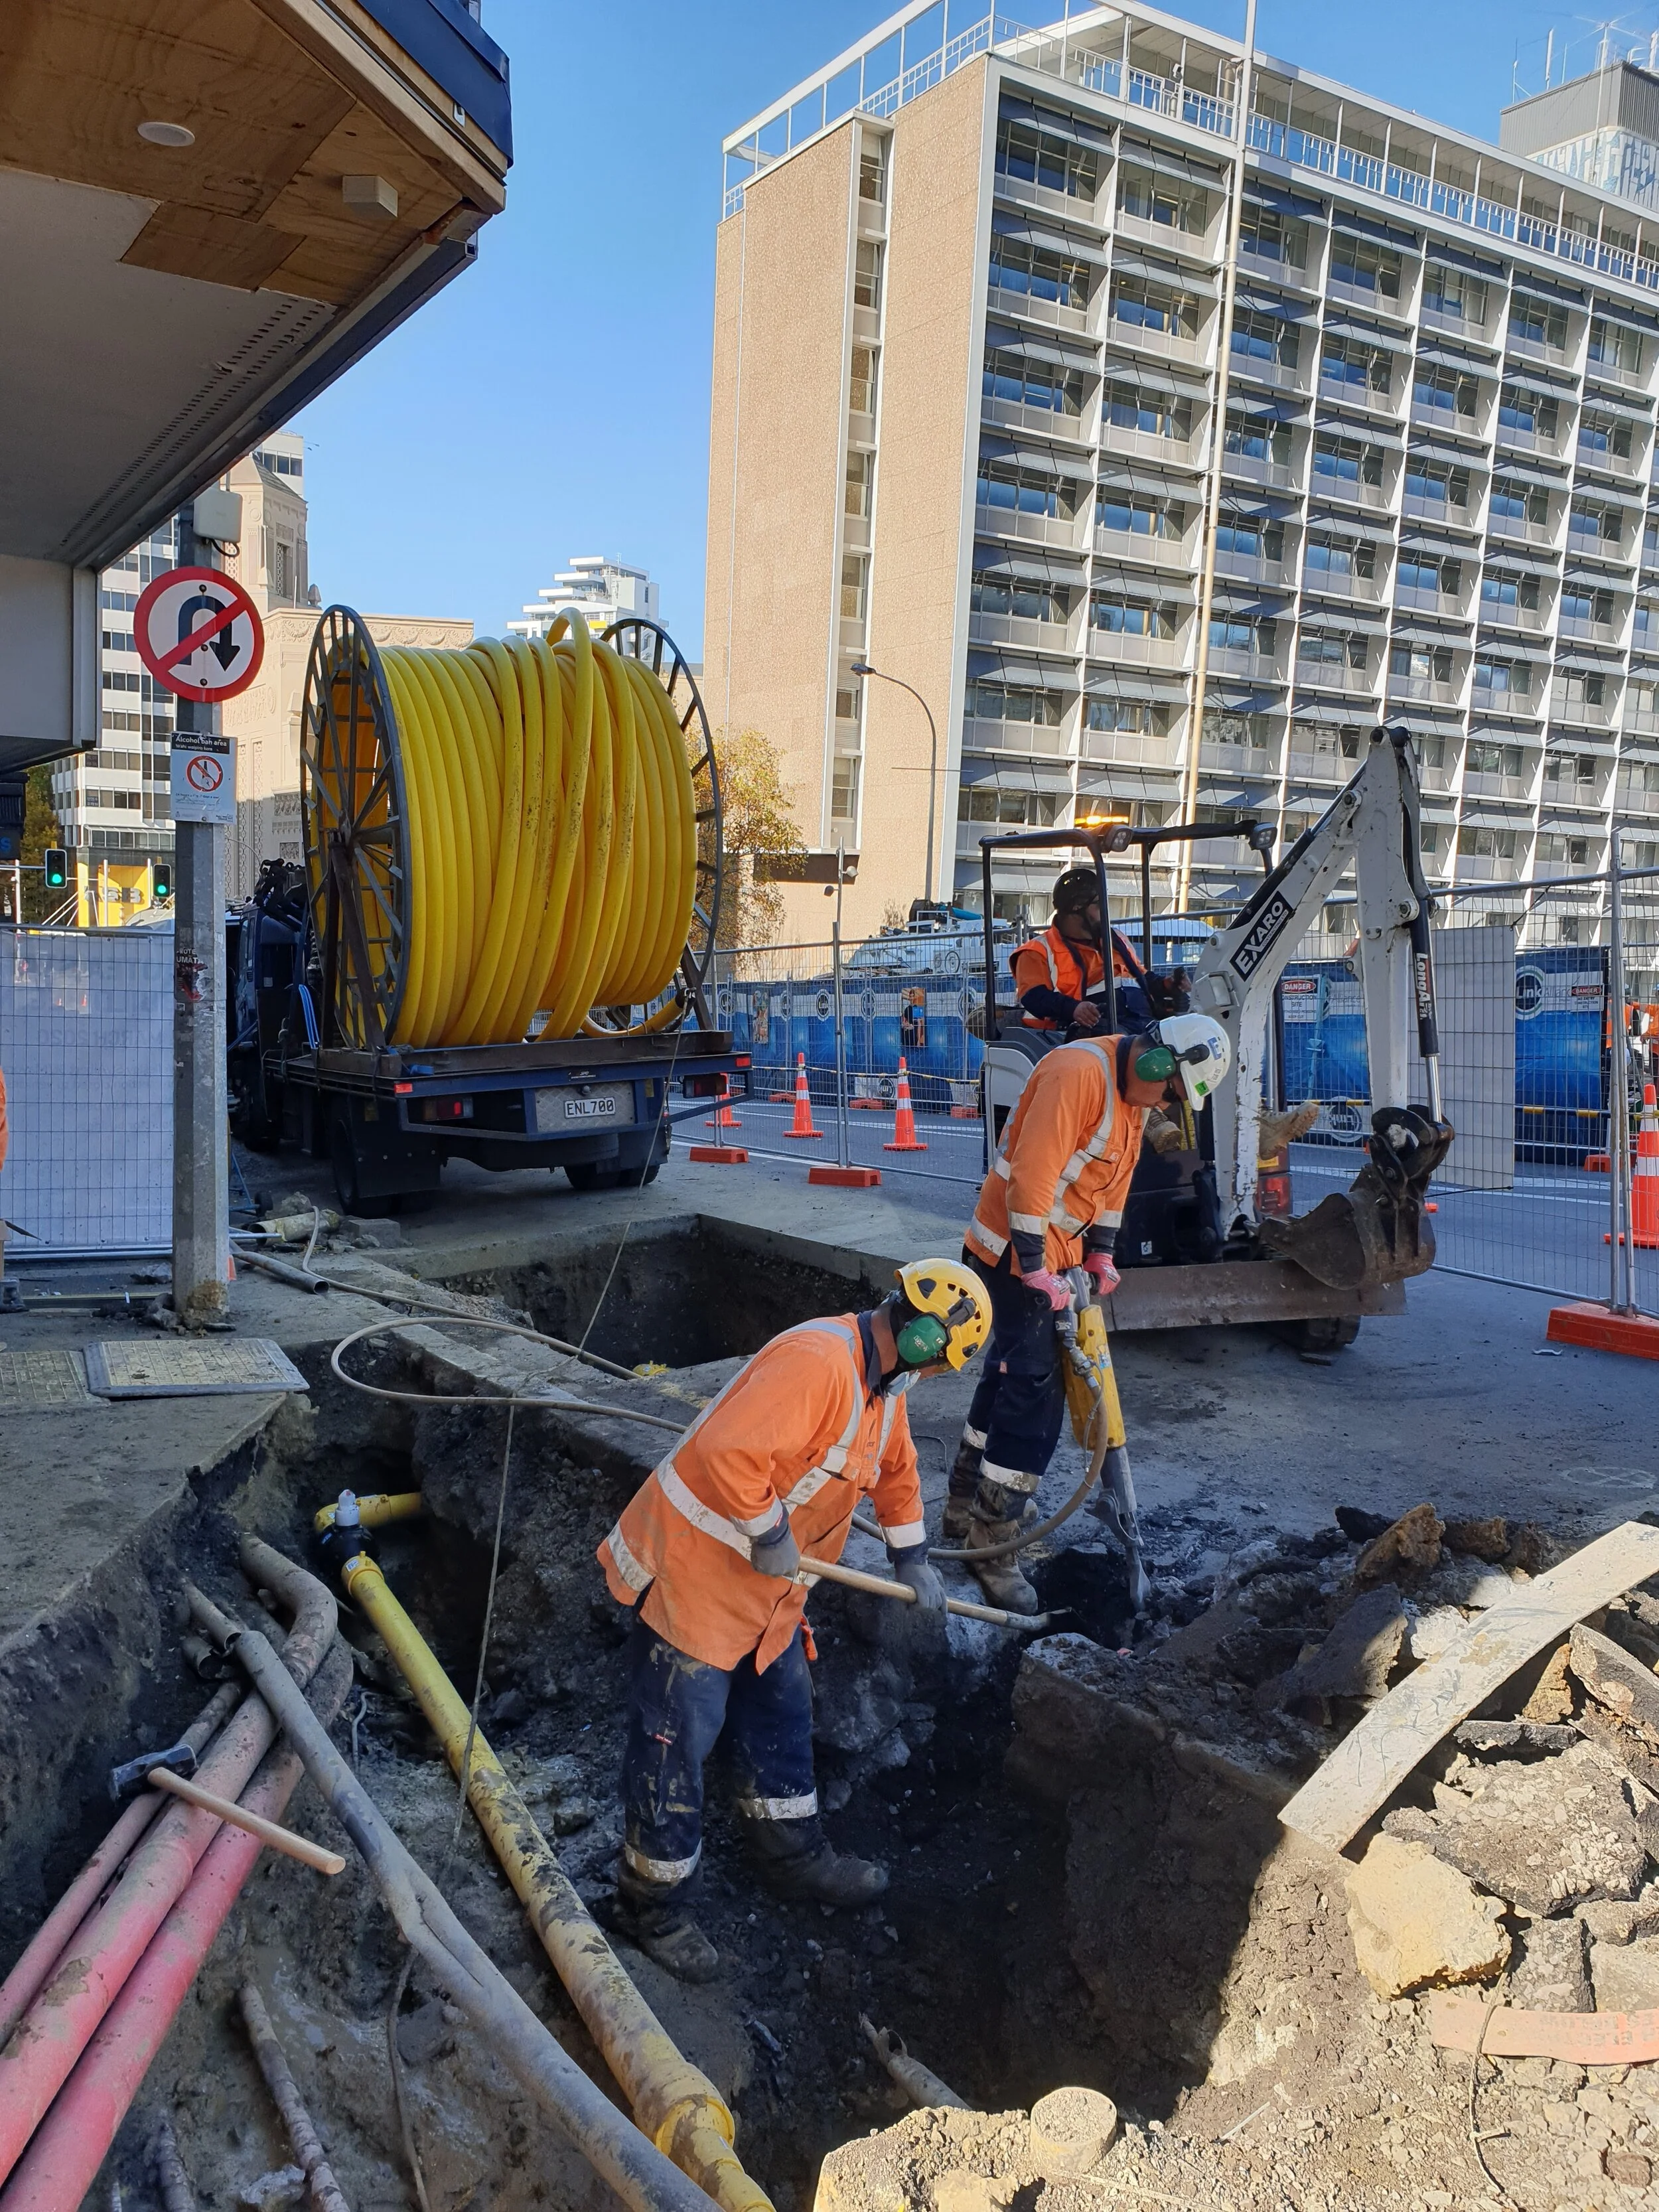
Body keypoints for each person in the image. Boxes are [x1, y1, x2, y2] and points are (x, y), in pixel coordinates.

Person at [597, 1258, 993, 1980]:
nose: (929, 1379)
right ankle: (647, 1908)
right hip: (698, 1582)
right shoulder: (819, 1362)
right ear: (917, 1338)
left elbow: (897, 1473)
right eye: (935, 1365)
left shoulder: (881, 1389)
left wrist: (913, 1561)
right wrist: (770, 1531)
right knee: (674, 1746)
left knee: (782, 1716)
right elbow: (727, 1453)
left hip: (769, 1599)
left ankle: (792, 1858)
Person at [948, 1015, 1232, 1611]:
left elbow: (1112, 1184)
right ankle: (992, 1537)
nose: (1169, 1105)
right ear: (1159, 1062)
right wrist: (1034, 1267)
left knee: (1005, 1368)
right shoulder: (1079, 1072)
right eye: (1174, 1090)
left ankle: (964, 1500)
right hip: (1012, 1247)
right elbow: (1032, 1175)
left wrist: (1101, 1253)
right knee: (1036, 1392)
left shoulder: (1132, 1098)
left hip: (1051, 1255)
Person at [1012, 867, 1159, 1036]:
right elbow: (1035, 998)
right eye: (1099, 904)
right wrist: (1074, 1009)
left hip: (1136, 1020)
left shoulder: (1115, 939)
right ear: (1077, 907)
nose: (1105, 911)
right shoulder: (1037, 951)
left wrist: (1165, 985)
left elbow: (1139, 975)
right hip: (1073, 1033)